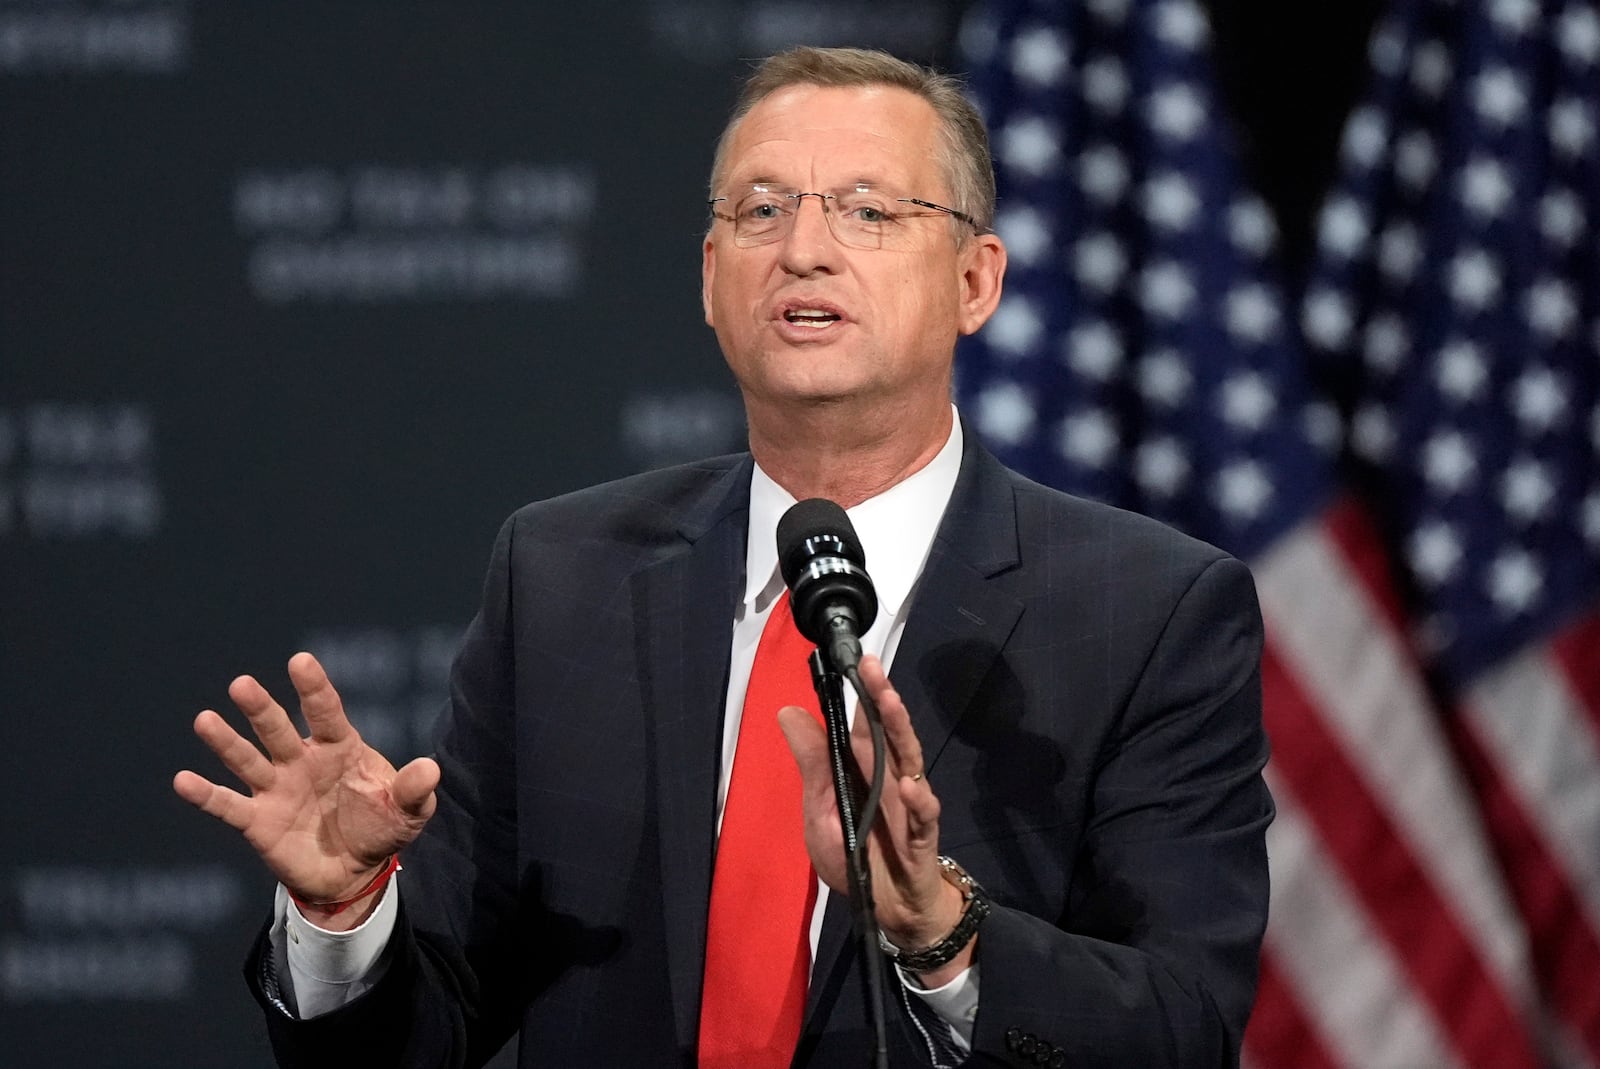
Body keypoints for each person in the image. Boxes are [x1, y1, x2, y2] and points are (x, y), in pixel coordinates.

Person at [174, 46, 1271, 1068]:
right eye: (760, 210)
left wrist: (945, 937)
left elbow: (1185, 1024)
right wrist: (345, 915)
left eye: (868, 210)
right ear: (710, 278)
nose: (802, 247)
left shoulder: (1149, 611)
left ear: (975, 282)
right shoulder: (563, 578)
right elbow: (429, 1026)